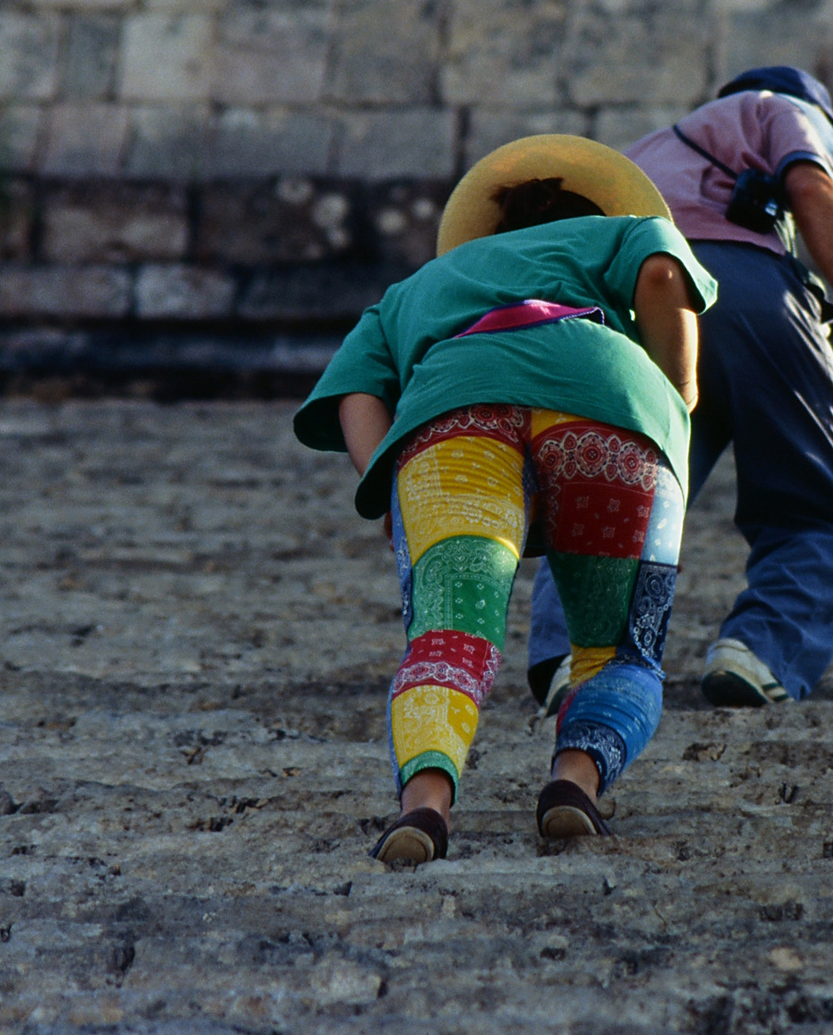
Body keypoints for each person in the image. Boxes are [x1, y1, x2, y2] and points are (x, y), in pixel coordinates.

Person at [293, 135, 718, 865]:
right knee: (618, 646)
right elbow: (657, 271)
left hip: (454, 414)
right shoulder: (618, 231)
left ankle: (424, 806)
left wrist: (389, 483)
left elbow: (354, 392)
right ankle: (573, 785)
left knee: (448, 634)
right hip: (608, 409)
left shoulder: (415, 288)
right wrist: (677, 396)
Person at [528, 66, 833, 710]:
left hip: (630, 306)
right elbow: (810, 183)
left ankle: (580, 656)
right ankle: (759, 650)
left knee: (614, 485)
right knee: (819, 510)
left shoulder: (640, 152)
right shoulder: (777, 107)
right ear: (829, 122)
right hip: (743, 287)